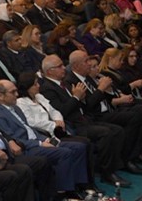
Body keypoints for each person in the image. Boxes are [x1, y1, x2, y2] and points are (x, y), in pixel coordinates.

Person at [38, 54, 130, 186]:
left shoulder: (63, 83)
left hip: (85, 118)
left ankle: (113, 167)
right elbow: (61, 112)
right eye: (59, 66)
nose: (64, 68)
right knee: (106, 133)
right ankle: (107, 173)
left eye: (62, 65)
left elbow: (83, 104)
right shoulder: (47, 88)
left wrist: (79, 98)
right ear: (49, 71)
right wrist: (76, 98)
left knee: (117, 130)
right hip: (73, 125)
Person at [0, 80, 89, 193]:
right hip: (27, 147)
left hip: (38, 140)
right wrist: (40, 143)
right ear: (0, 95)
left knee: (79, 147)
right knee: (64, 153)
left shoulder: (15, 108)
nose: (17, 95)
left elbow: (29, 128)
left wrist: (45, 139)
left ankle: (79, 185)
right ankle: (63, 192)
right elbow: (12, 139)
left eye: (16, 91)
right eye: (13, 92)